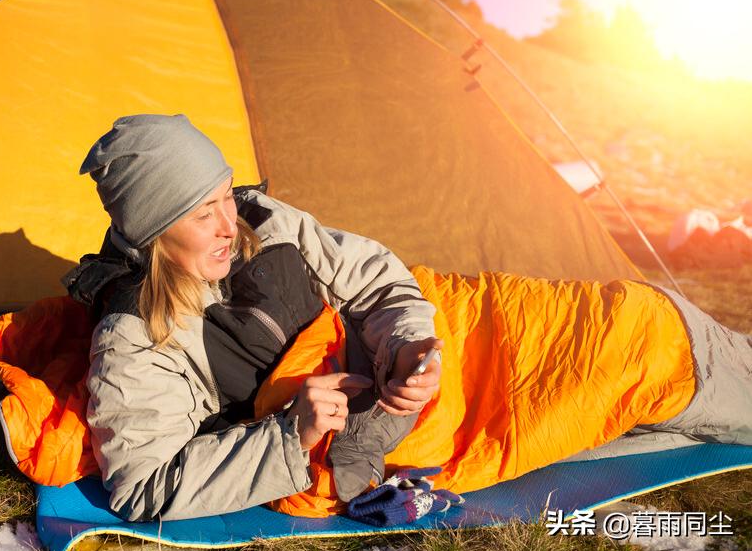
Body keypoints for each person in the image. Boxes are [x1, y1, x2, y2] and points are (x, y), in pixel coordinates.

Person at [66, 114, 752, 523]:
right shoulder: (138, 338)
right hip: (384, 422)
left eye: (224, 195)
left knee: (632, 318)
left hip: (440, 338)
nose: (228, 222)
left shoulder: (262, 220)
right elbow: (142, 483)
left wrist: (409, 342)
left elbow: (372, 274)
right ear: (153, 233)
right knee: (647, 349)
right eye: (201, 211)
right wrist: (288, 433)